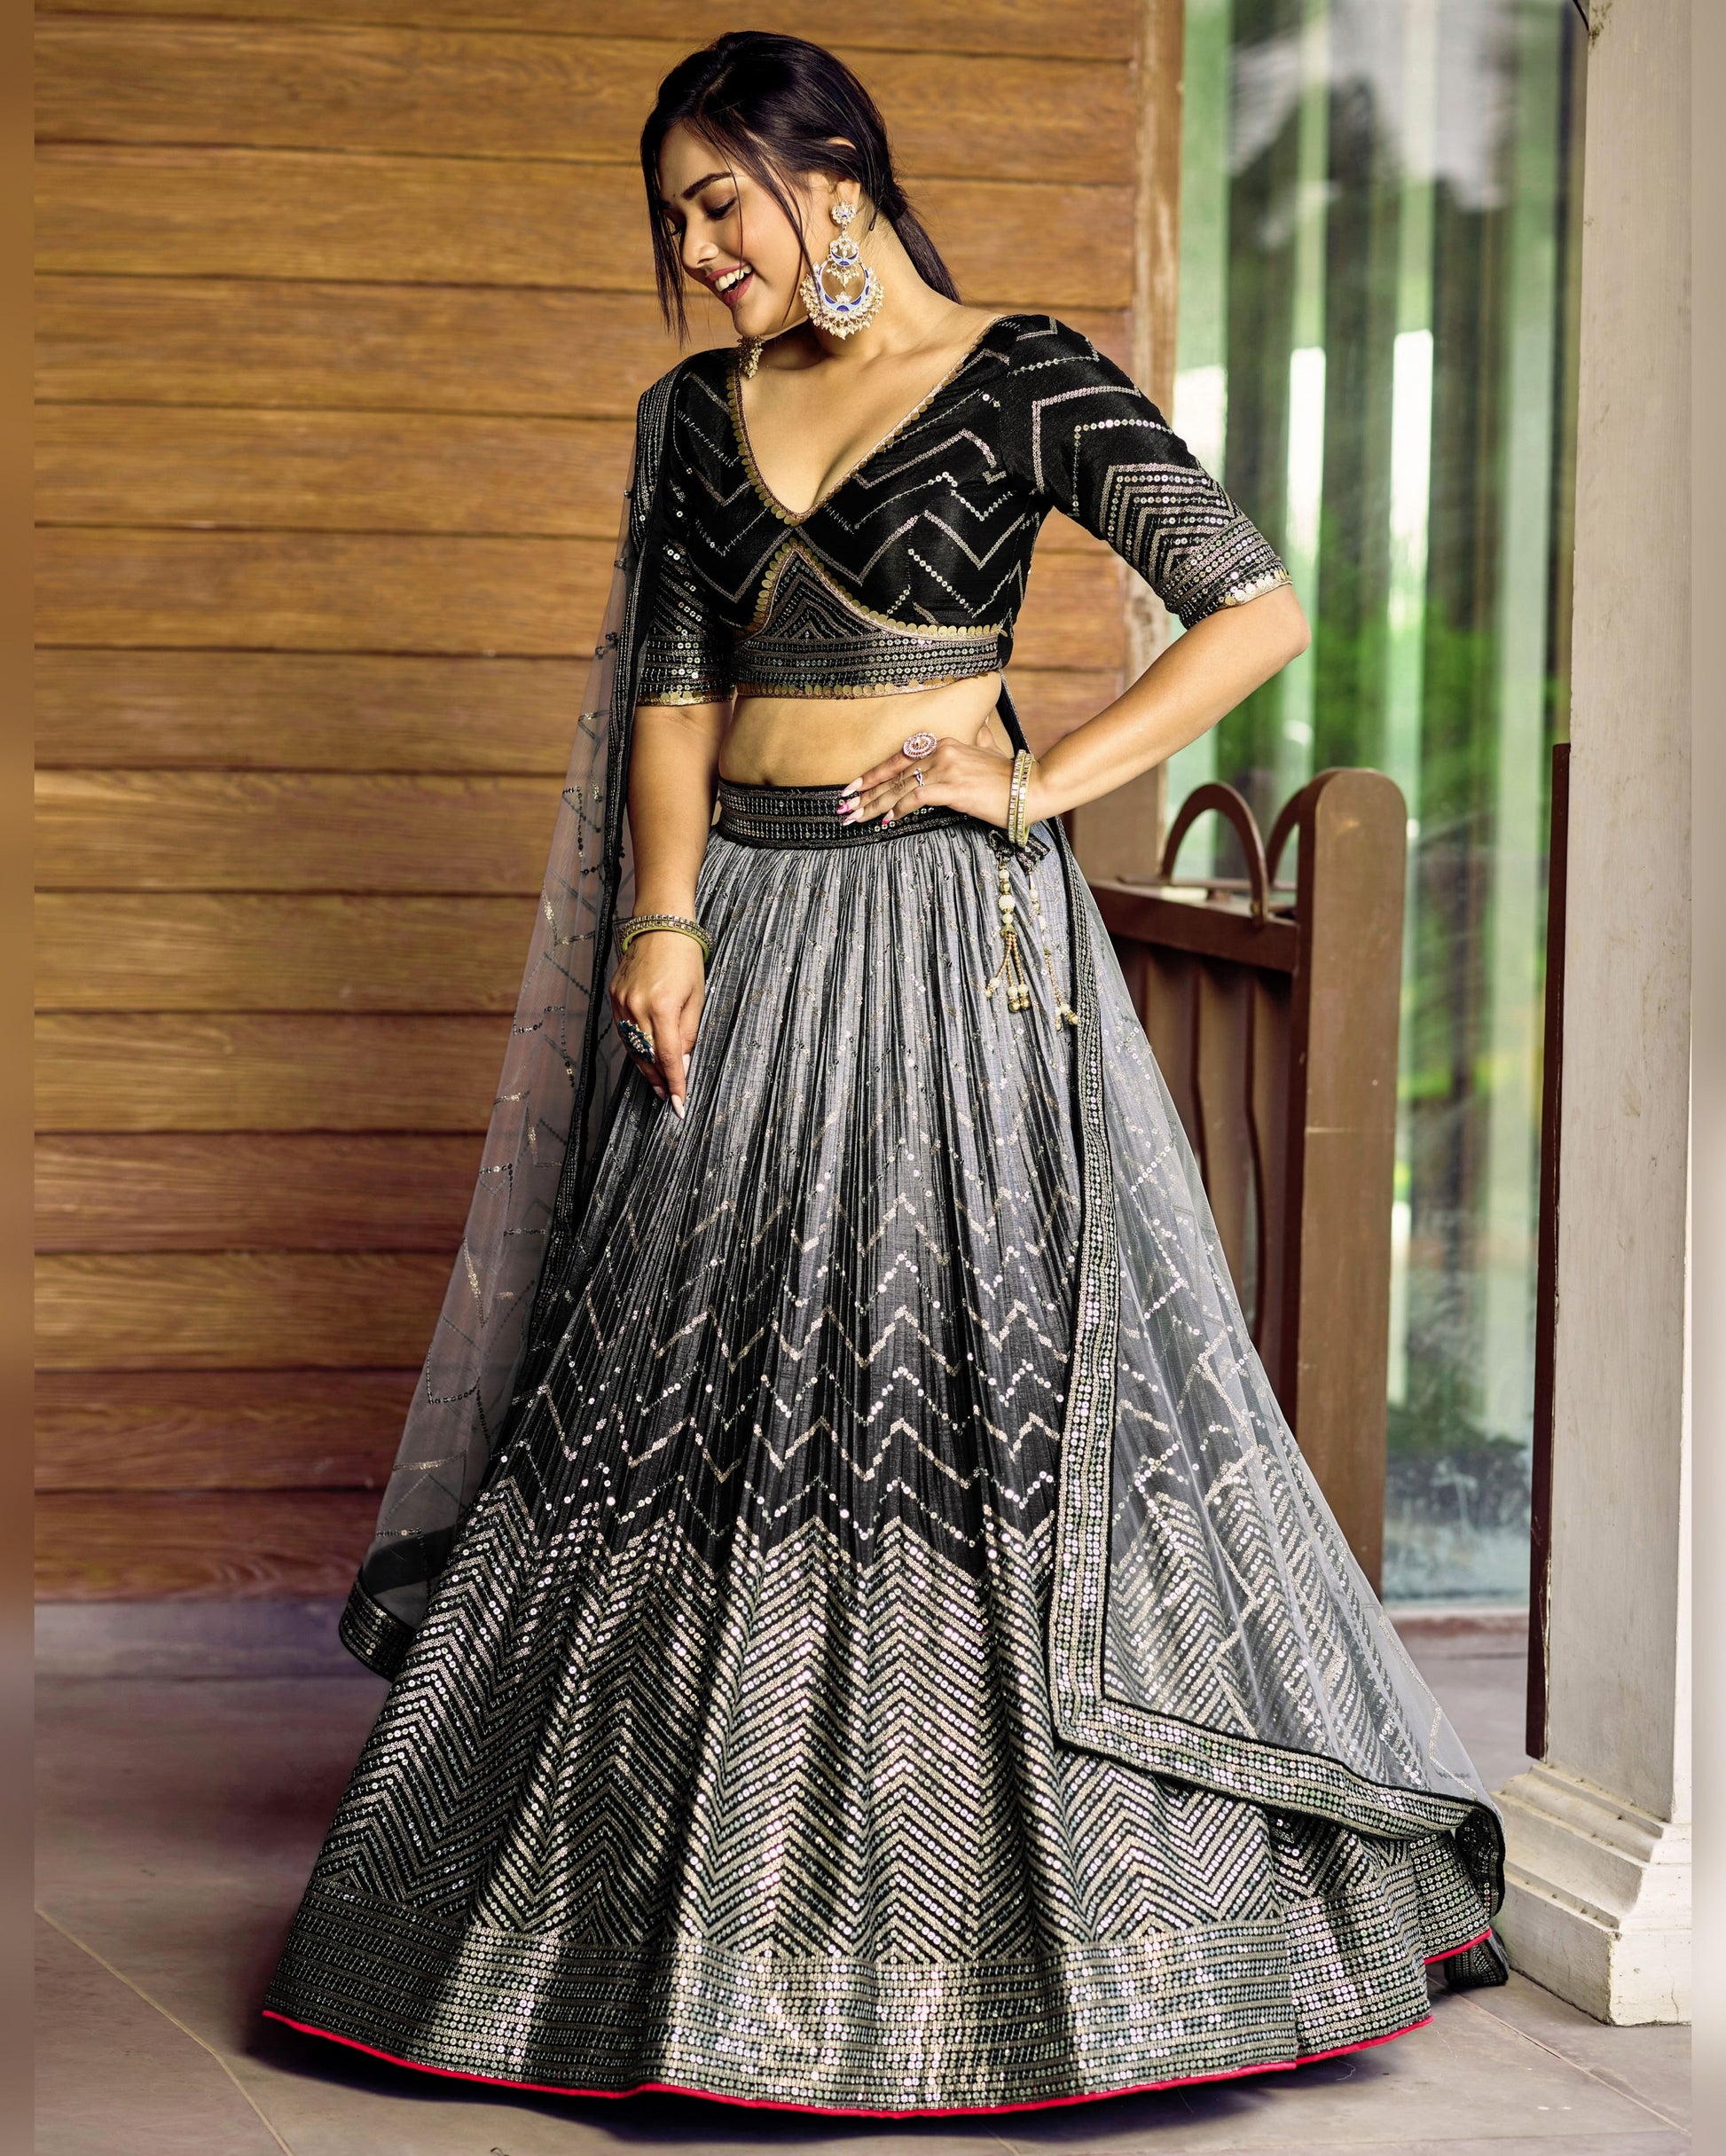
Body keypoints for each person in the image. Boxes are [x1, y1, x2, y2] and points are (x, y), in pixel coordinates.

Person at [263, 31, 1506, 2114]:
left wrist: (1037, 780)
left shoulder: (1021, 375)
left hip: (950, 952)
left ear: (831, 177)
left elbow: (1248, 605)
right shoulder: (690, 416)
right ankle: (656, 1923)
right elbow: (672, 687)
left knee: (948, 1374)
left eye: (718, 202)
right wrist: (662, 920)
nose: (693, 247)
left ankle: (1011, 1934)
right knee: (686, 1384)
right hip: (742, 933)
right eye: (669, 217)